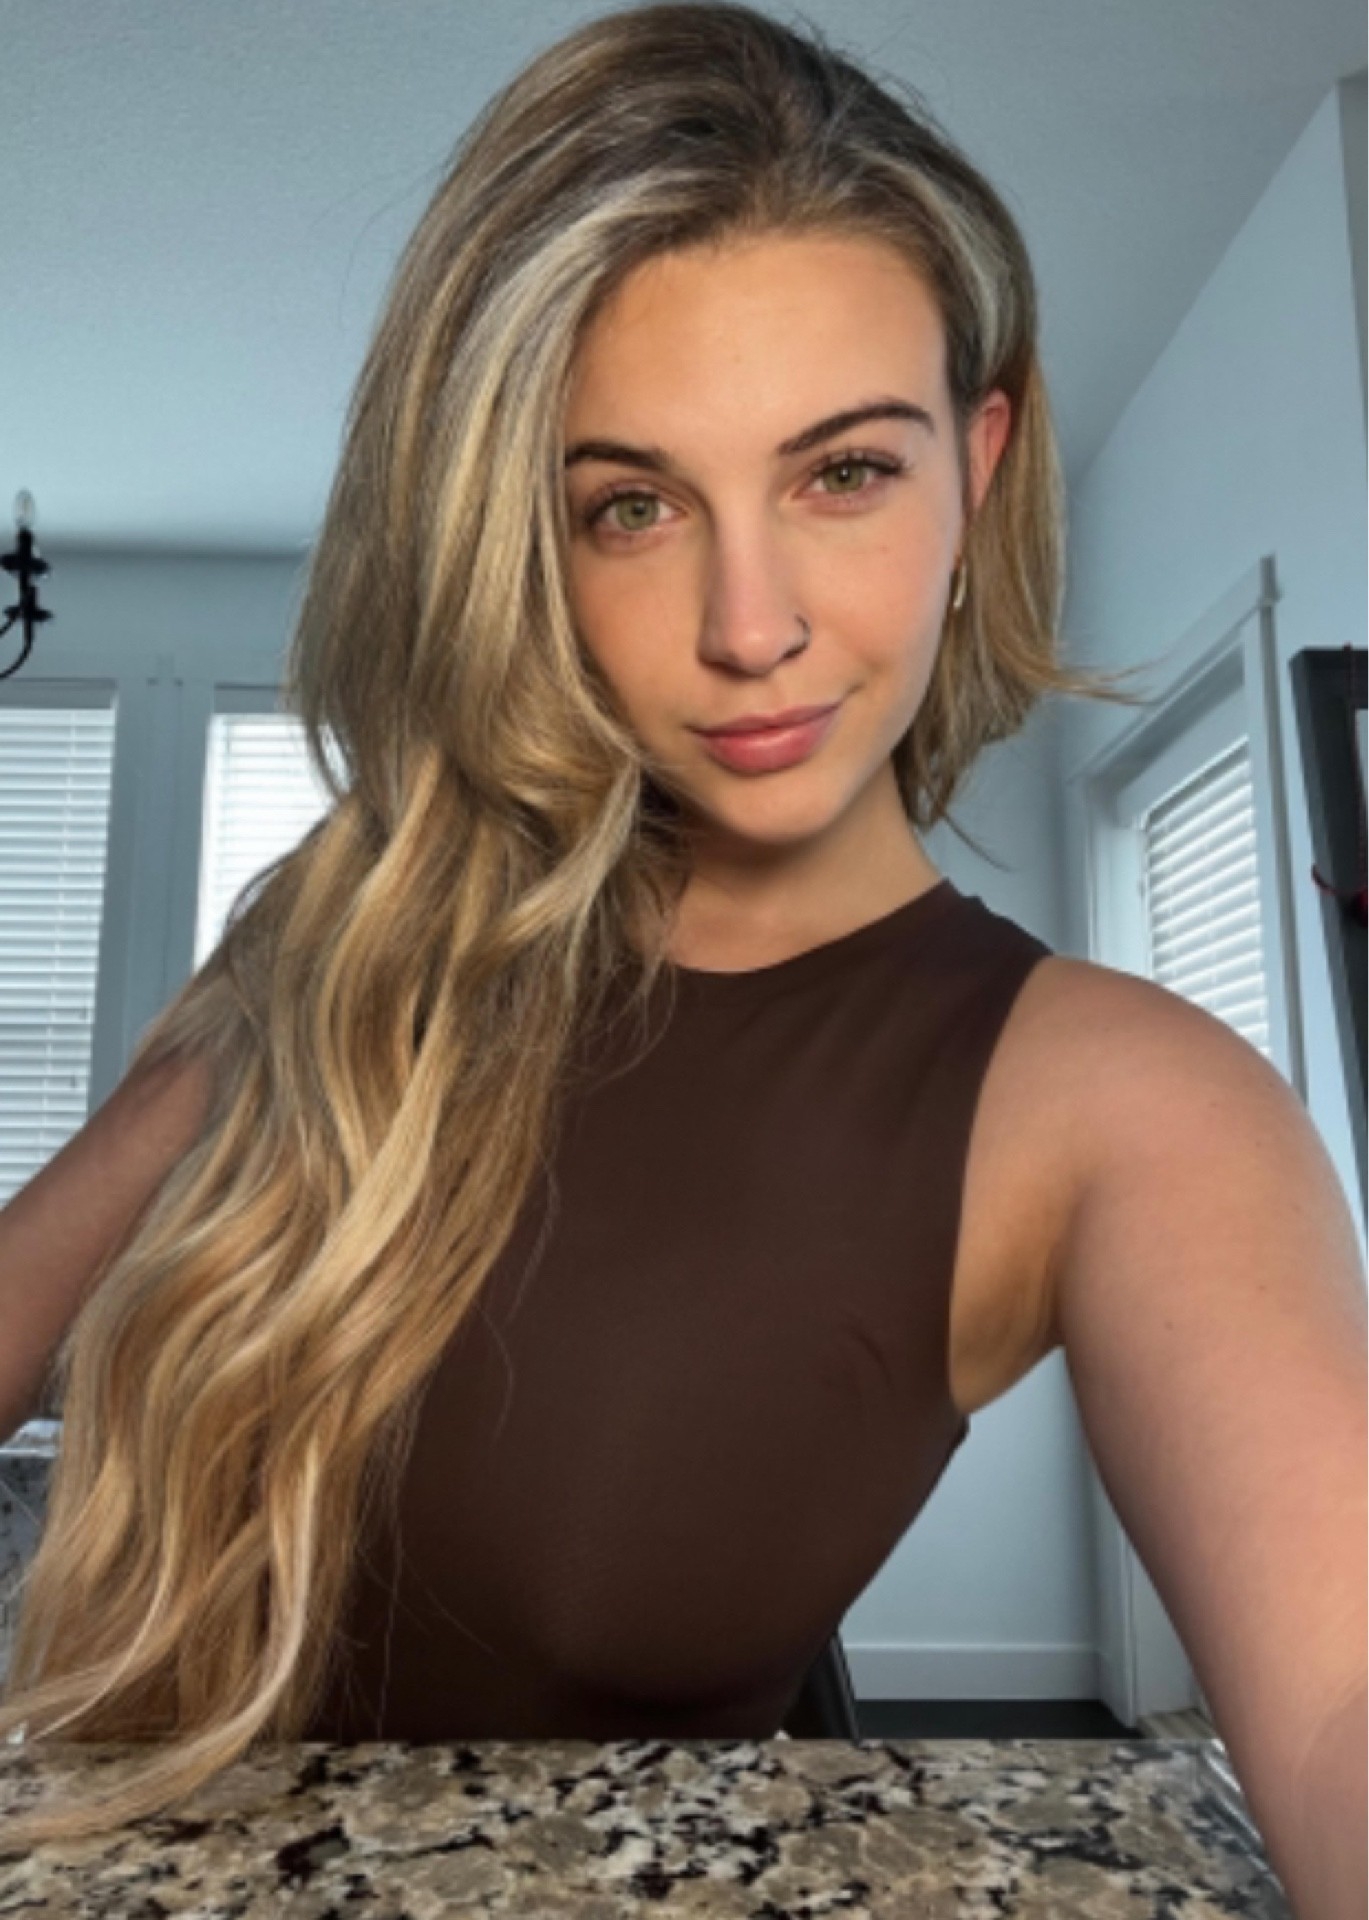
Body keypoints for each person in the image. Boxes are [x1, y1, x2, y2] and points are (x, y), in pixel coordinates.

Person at [0, 6, 1362, 1908]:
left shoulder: (1121, 1102)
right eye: (629, 506)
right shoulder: (358, 923)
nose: (748, 625)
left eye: (842, 473)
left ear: (976, 462)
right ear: (523, 541)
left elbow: (1340, 1704)